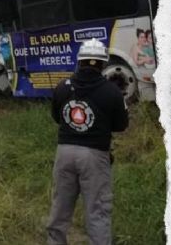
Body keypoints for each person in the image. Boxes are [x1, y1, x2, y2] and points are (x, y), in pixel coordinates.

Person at [47, 38, 129, 245]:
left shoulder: (62, 87)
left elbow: (57, 117)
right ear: (102, 64)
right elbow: (121, 126)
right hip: (94, 156)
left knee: (60, 207)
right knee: (97, 211)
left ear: (80, 61)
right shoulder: (112, 91)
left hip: (64, 153)